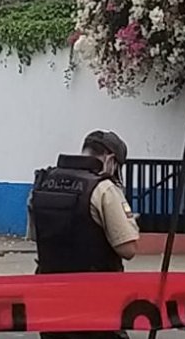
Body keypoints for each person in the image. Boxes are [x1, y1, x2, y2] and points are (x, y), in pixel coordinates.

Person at [28, 130, 139, 339]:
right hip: (96, 300)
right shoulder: (103, 189)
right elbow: (128, 249)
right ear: (111, 160)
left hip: (51, 298)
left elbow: (36, 236)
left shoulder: (43, 183)